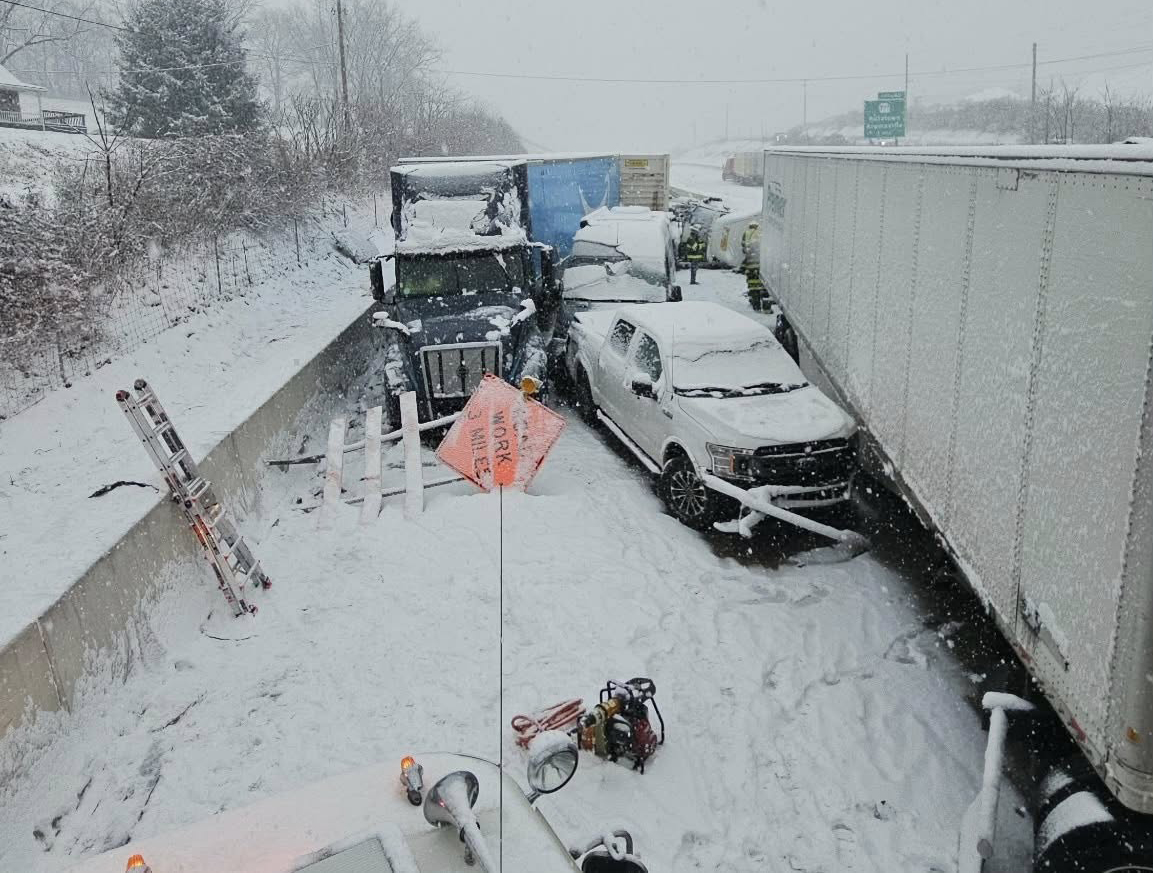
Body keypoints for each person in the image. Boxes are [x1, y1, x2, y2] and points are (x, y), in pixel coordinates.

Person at [740, 220, 765, 311]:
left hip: (750, 263)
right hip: (761, 264)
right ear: (756, 226)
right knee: (760, 285)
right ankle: (764, 305)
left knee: (753, 285)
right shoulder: (761, 233)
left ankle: (756, 304)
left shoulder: (746, 234)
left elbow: (743, 247)